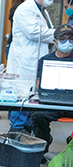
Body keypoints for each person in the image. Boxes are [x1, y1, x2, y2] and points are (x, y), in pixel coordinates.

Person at [7, 0, 56, 130]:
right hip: (25, 60)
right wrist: (60, 34)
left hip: (35, 58)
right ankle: (17, 130)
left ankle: (27, 128)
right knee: (21, 95)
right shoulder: (24, 9)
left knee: (30, 97)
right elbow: (34, 33)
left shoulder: (42, 10)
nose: (52, 0)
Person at [29, 24, 73, 156]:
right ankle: (43, 145)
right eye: (63, 40)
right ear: (55, 42)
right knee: (38, 116)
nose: (68, 43)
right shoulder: (45, 60)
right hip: (51, 102)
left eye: (71, 40)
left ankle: (71, 140)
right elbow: (38, 84)